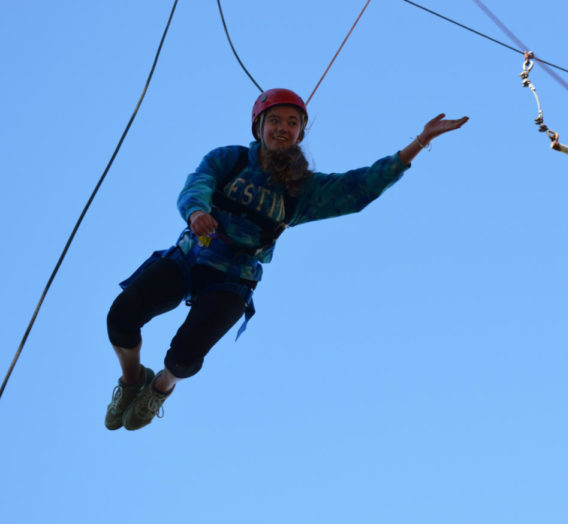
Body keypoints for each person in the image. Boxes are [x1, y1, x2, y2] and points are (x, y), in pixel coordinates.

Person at [105, 88, 468, 431]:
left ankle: (161, 388)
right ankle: (133, 379)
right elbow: (197, 184)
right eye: (275, 120)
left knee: (185, 357)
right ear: (259, 126)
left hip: (233, 278)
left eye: (293, 123)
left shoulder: (302, 188)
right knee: (121, 317)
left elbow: (360, 188)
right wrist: (197, 211)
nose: (283, 128)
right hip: (192, 256)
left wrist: (420, 142)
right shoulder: (228, 159)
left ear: (300, 133)